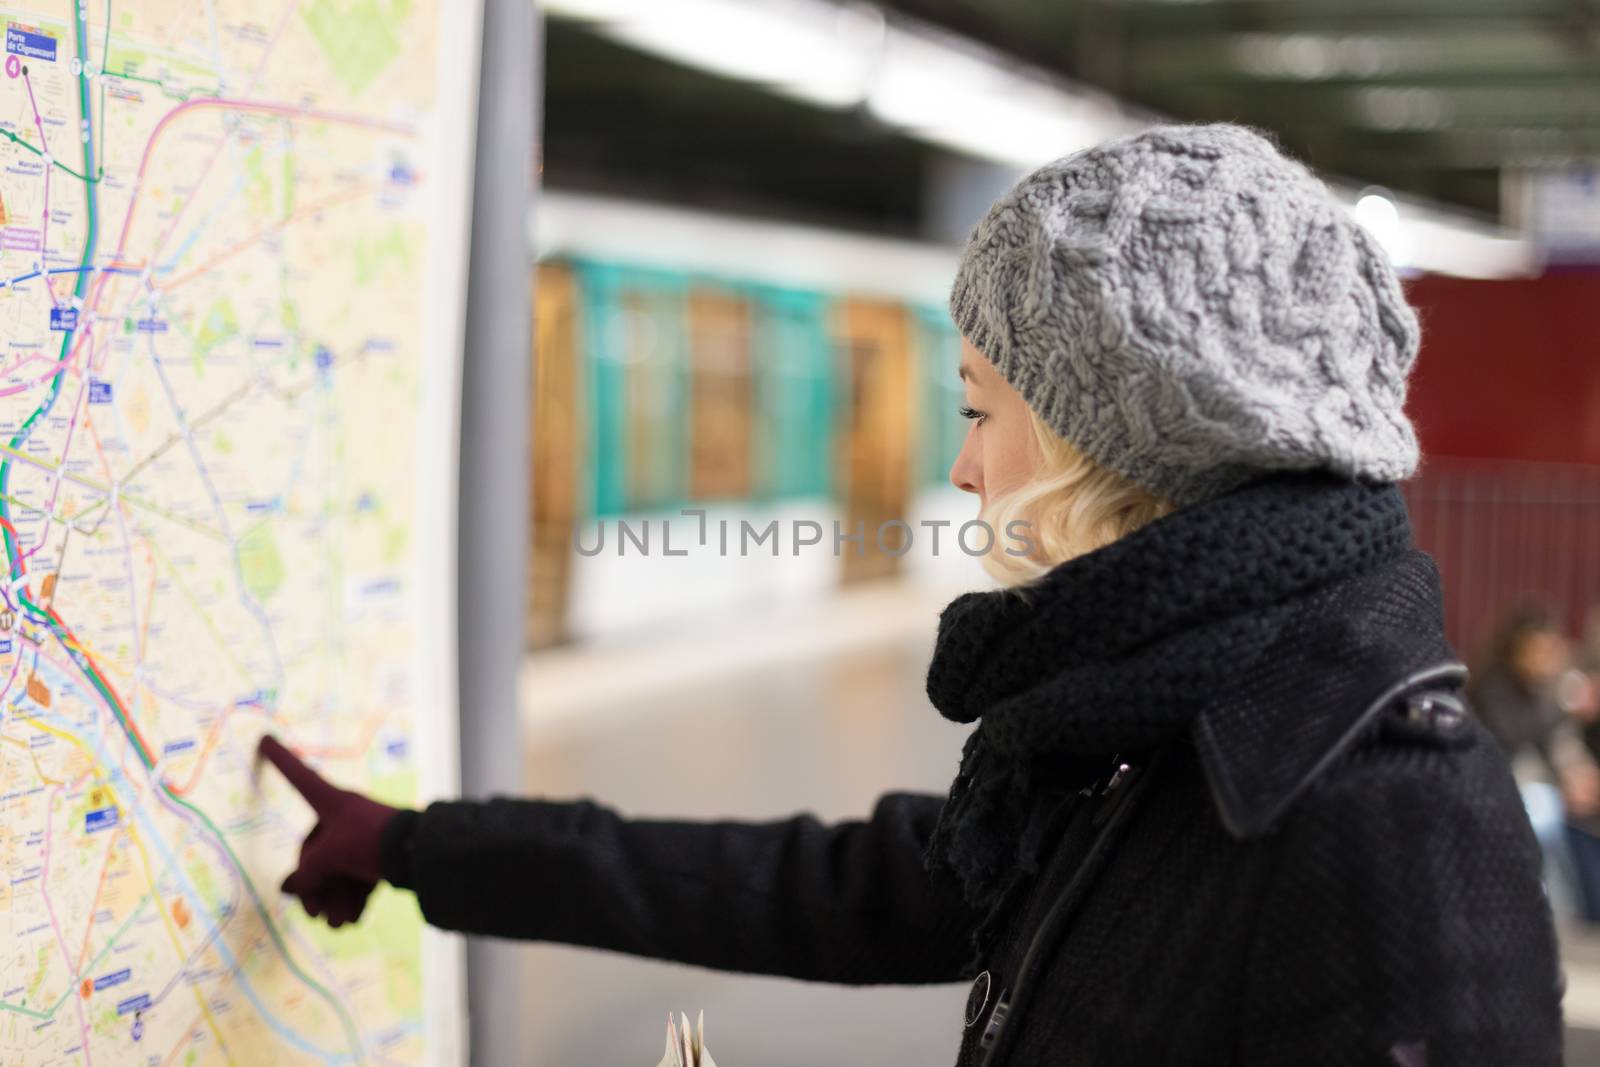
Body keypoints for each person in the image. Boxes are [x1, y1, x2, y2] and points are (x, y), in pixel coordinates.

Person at [258, 124, 1561, 1065]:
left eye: (984, 411)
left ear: (1124, 443)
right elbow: (832, 889)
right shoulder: (1144, 728)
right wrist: (420, 848)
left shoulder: (1394, 823)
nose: (959, 464)